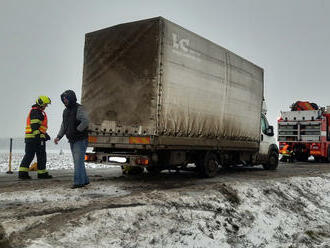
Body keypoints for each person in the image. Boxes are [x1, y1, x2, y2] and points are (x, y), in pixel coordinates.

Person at [54, 90, 89, 188]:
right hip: (72, 140)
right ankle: (84, 180)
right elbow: (64, 125)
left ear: (71, 98)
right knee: (78, 161)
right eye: (63, 99)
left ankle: (78, 182)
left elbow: (85, 121)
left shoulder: (79, 108)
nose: (64, 101)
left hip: (80, 139)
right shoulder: (65, 111)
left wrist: (77, 130)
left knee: (78, 161)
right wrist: (59, 137)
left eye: (66, 99)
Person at [18, 96, 53, 179]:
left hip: (31, 138)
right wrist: (39, 137)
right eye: (45, 104)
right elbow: (34, 127)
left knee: (29, 155)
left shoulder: (35, 111)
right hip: (35, 138)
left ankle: (23, 173)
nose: (46, 106)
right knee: (41, 155)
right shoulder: (36, 112)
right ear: (40, 103)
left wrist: (45, 134)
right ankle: (41, 173)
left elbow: (38, 127)